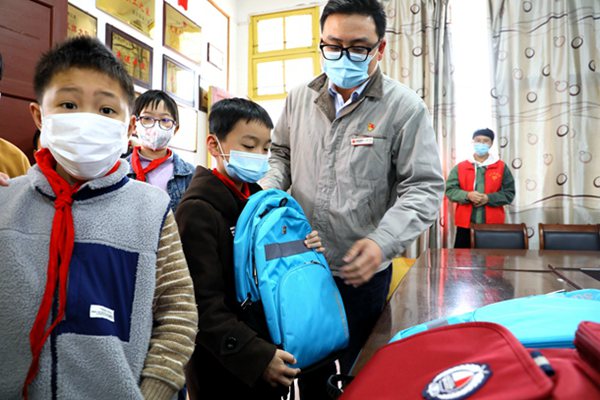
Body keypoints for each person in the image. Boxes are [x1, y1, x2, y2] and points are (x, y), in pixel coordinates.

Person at [260, 0, 445, 394]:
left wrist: (382, 242)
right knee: (309, 372)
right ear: (321, 43)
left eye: (358, 48)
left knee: (360, 375)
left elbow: (424, 187)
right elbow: (281, 154)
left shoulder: (404, 108)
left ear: (380, 48)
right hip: (303, 265)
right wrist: (268, 192)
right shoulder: (299, 98)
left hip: (362, 274)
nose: (343, 57)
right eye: (333, 45)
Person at [0, 36, 198, 399]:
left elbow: (178, 311)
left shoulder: (152, 210)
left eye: (106, 110)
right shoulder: (6, 202)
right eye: (68, 104)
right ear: (39, 115)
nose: (87, 121)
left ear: (128, 126)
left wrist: (153, 391)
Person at [175, 98, 325, 400]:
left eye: (266, 148)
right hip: (225, 365)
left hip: (266, 349)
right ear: (214, 145)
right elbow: (202, 305)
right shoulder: (197, 211)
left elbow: (270, 272)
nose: (259, 156)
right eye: (248, 145)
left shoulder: (260, 204)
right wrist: (257, 357)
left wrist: (305, 248)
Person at [445, 128, 516, 248]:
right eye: (478, 140)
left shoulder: (501, 167)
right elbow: (450, 190)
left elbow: (509, 193)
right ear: (473, 142)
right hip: (465, 225)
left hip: (493, 224)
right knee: (463, 257)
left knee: (492, 258)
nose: (481, 144)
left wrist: (488, 198)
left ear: (491, 143)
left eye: (485, 141)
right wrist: (467, 195)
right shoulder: (461, 167)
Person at [126, 90, 194, 212]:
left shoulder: (189, 174)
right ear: (134, 124)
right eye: (147, 118)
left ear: (175, 129)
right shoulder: (121, 170)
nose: (156, 126)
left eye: (165, 120)